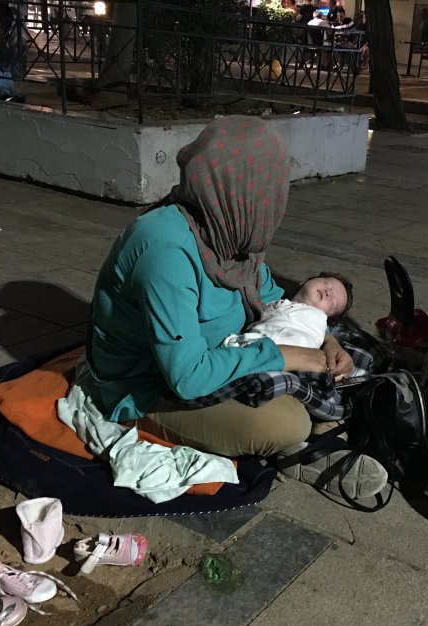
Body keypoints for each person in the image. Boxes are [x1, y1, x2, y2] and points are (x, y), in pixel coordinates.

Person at [80, 117, 387, 498]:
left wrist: (326, 341)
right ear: (236, 194)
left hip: (226, 351)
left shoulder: (229, 229)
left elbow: (273, 296)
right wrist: (284, 355)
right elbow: (188, 377)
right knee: (287, 423)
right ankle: (298, 448)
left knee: (347, 349)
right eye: (268, 196)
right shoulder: (166, 249)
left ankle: (308, 441)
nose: (274, 208)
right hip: (150, 386)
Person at [223, 272, 353, 351]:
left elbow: (311, 336)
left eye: (332, 303)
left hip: (282, 349)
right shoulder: (277, 301)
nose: (327, 292)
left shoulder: (315, 320)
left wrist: (330, 341)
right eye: (327, 284)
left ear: (326, 318)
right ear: (306, 281)